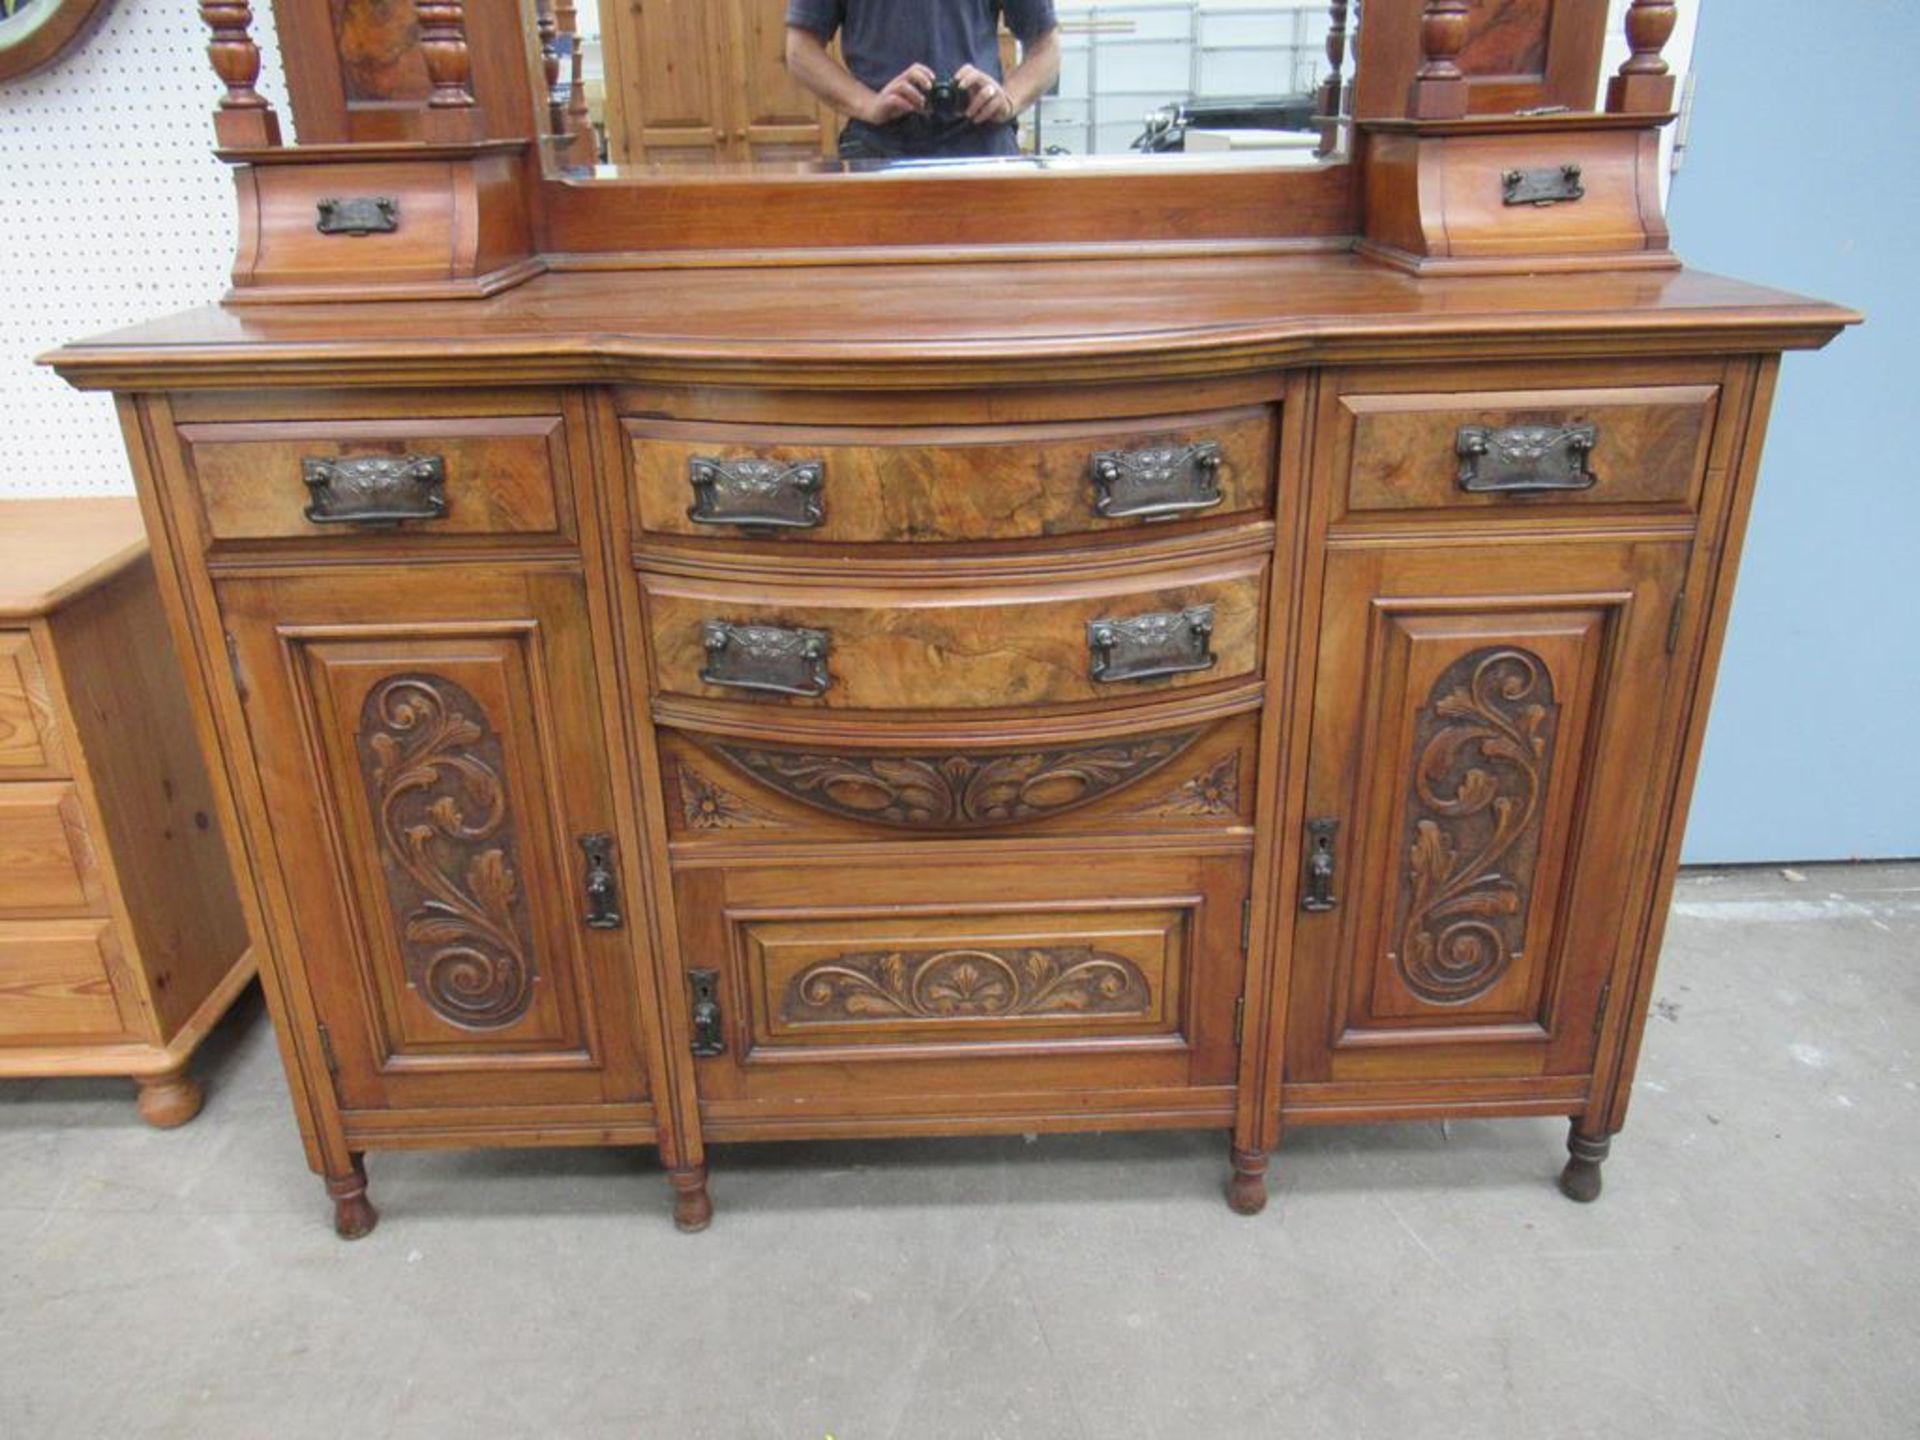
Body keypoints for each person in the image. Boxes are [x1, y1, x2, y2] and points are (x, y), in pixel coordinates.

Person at [785, 1, 1061, 162]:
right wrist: (868, 105)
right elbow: (800, 50)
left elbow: (1047, 47)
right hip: (879, 152)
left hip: (982, 151)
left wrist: (1009, 99)